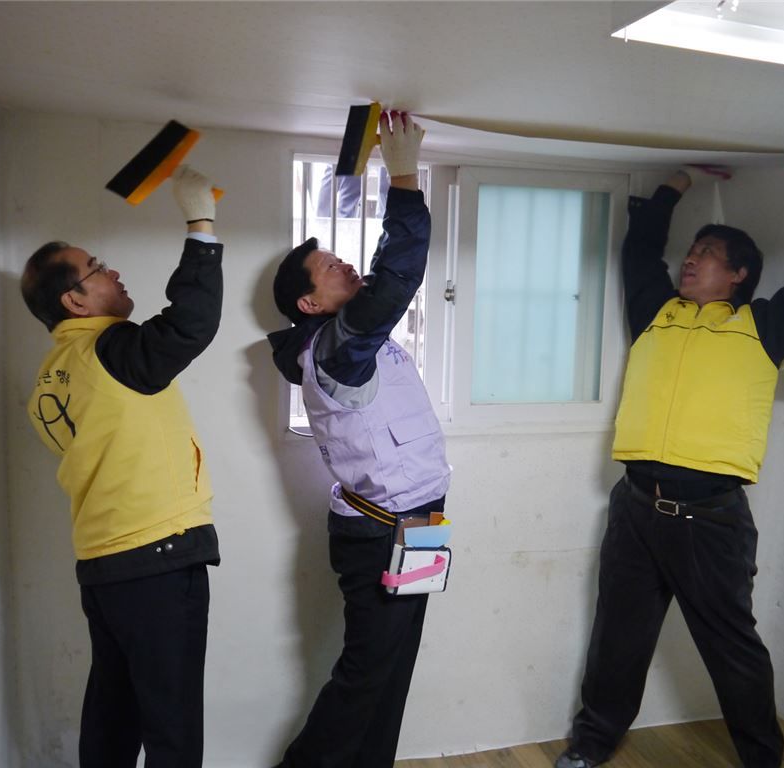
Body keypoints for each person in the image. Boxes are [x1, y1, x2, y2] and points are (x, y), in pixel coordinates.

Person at [556, 158, 784, 768]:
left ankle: (762, 760)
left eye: (706, 253)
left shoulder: (764, 325)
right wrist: (675, 185)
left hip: (710, 519)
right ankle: (589, 747)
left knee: (732, 650)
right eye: (691, 251)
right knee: (617, 639)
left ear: (739, 275)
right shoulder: (656, 313)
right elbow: (640, 252)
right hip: (634, 507)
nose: (690, 260)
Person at [21, 166, 224, 768]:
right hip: (156, 557)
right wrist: (200, 223)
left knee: (115, 713)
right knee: (171, 729)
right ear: (75, 300)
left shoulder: (50, 381)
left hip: (103, 567)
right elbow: (190, 323)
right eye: (97, 268)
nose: (111, 272)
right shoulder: (109, 351)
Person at [268, 111, 450, 768]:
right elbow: (396, 276)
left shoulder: (358, 339)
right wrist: (402, 176)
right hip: (379, 530)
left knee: (396, 664)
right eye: (327, 267)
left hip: (423, 521)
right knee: (366, 672)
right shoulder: (336, 348)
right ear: (309, 305)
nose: (342, 264)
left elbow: (382, 280)